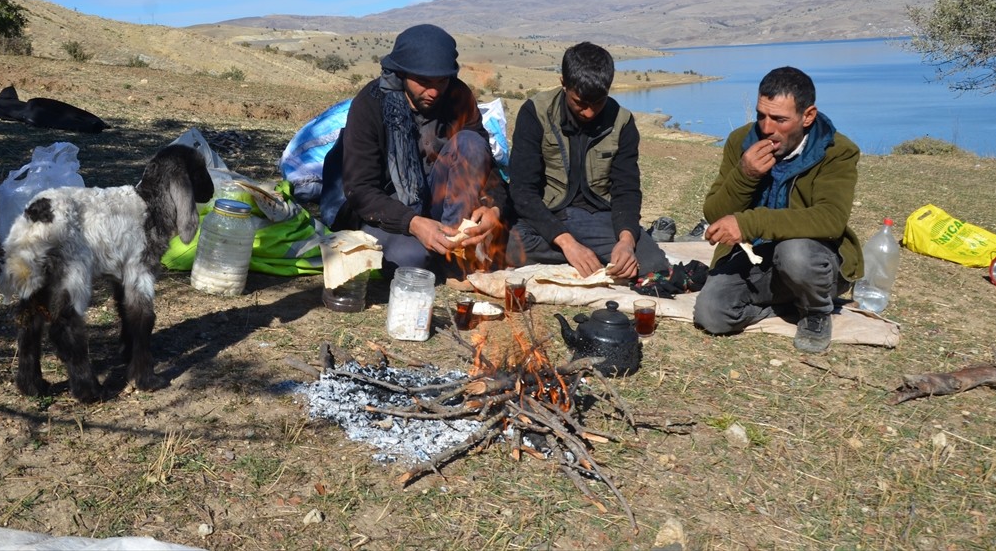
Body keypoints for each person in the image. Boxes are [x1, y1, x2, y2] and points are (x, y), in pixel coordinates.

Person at [693, 66, 861, 354]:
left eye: (780, 119)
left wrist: (749, 223)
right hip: (757, 258)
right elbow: (714, 213)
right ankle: (789, 305)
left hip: (812, 259)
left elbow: (831, 219)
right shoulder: (741, 141)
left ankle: (816, 311)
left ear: (807, 116)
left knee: (794, 253)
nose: (767, 128)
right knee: (712, 314)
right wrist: (745, 174)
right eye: (761, 115)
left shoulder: (837, 151)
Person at [320, 24, 507, 278]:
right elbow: (360, 189)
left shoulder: (458, 96)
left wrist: (494, 207)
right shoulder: (371, 103)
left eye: (440, 81)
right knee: (411, 260)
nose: (432, 91)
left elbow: (485, 161)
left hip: (440, 202)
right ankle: (438, 249)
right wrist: (414, 223)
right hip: (387, 209)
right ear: (401, 73)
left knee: (472, 143)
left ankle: (454, 247)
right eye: (423, 81)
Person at [507, 41, 668, 280]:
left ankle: (592, 258)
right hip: (549, 214)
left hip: (598, 218)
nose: (589, 112)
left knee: (654, 265)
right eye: (580, 103)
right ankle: (589, 257)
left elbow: (626, 189)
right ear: (563, 83)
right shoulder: (535, 113)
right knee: (508, 246)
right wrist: (568, 243)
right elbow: (522, 191)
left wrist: (625, 241)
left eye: (598, 102)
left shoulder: (622, 122)